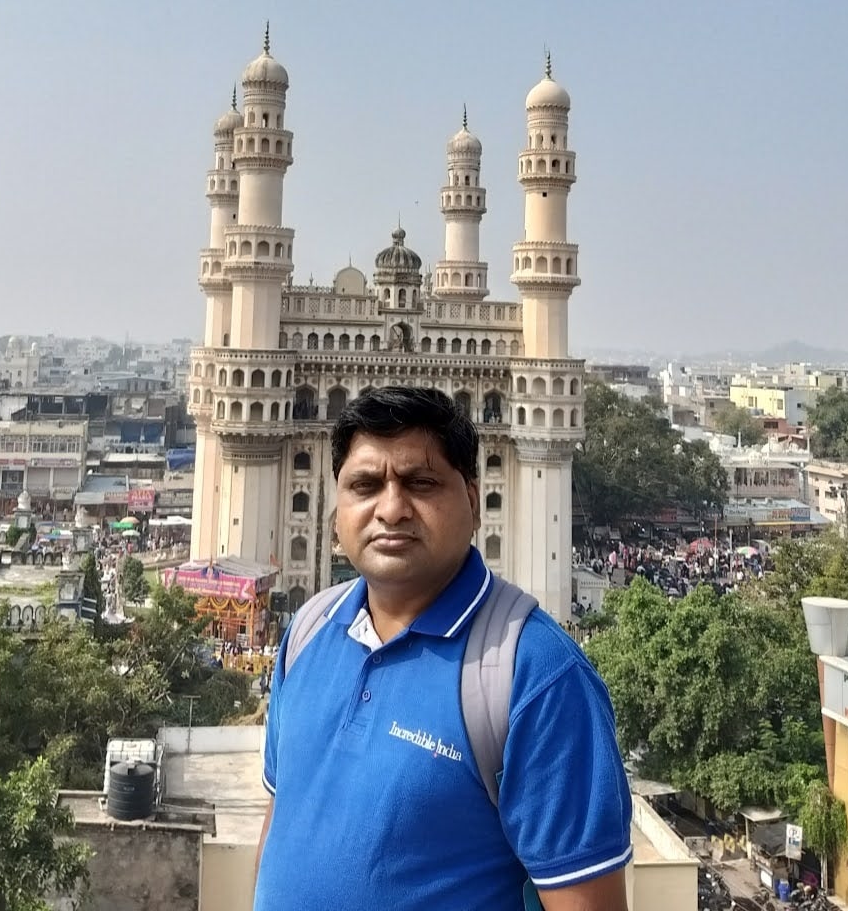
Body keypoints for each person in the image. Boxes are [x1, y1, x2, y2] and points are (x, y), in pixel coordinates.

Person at [255, 387, 632, 911]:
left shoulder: (534, 674)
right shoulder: (307, 632)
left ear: (473, 501)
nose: (391, 509)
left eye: (421, 482)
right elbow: (283, 821)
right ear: (336, 505)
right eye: (364, 485)